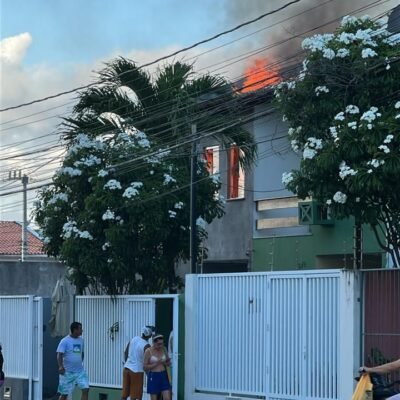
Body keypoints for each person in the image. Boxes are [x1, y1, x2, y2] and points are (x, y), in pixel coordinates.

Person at [56, 321, 89, 400]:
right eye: (80, 329)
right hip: (67, 372)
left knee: (86, 389)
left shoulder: (81, 340)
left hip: (80, 371)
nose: (82, 330)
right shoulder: (65, 341)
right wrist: (60, 366)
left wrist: (80, 362)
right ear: (75, 330)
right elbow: (59, 354)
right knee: (64, 394)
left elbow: (82, 353)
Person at [121, 326, 153, 400]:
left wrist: (127, 362)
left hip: (126, 368)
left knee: (124, 394)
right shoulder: (147, 346)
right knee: (135, 396)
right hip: (137, 370)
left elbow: (126, 352)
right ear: (150, 336)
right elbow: (147, 361)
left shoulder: (134, 338)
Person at [143, 334, 171, 400]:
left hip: (163, 375)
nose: (160, 346)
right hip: (154, 375)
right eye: (158, 344)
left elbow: (168, 362)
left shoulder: (164, 349)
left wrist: (167, 362)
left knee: (167, 398)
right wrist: (156, 363)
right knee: (154, 398)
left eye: (161, 343)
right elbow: (144, 367)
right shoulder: (148, 351)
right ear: (153, 342)